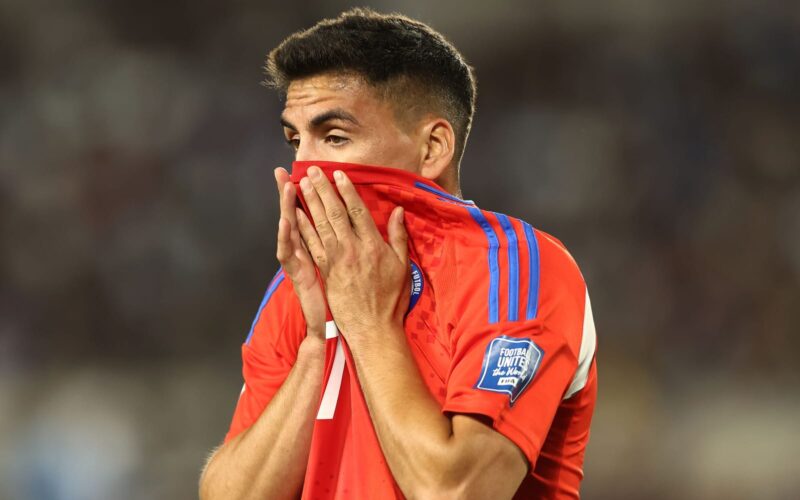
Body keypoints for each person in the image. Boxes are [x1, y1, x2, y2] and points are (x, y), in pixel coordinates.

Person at [199, 8, 597, 500]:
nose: (303, 168)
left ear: (432, 149)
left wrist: (365, 325)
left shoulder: (518, 271)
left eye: (335, 137)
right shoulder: (299, 284)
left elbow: (458, 490)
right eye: (295, 141)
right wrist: (321, 341)